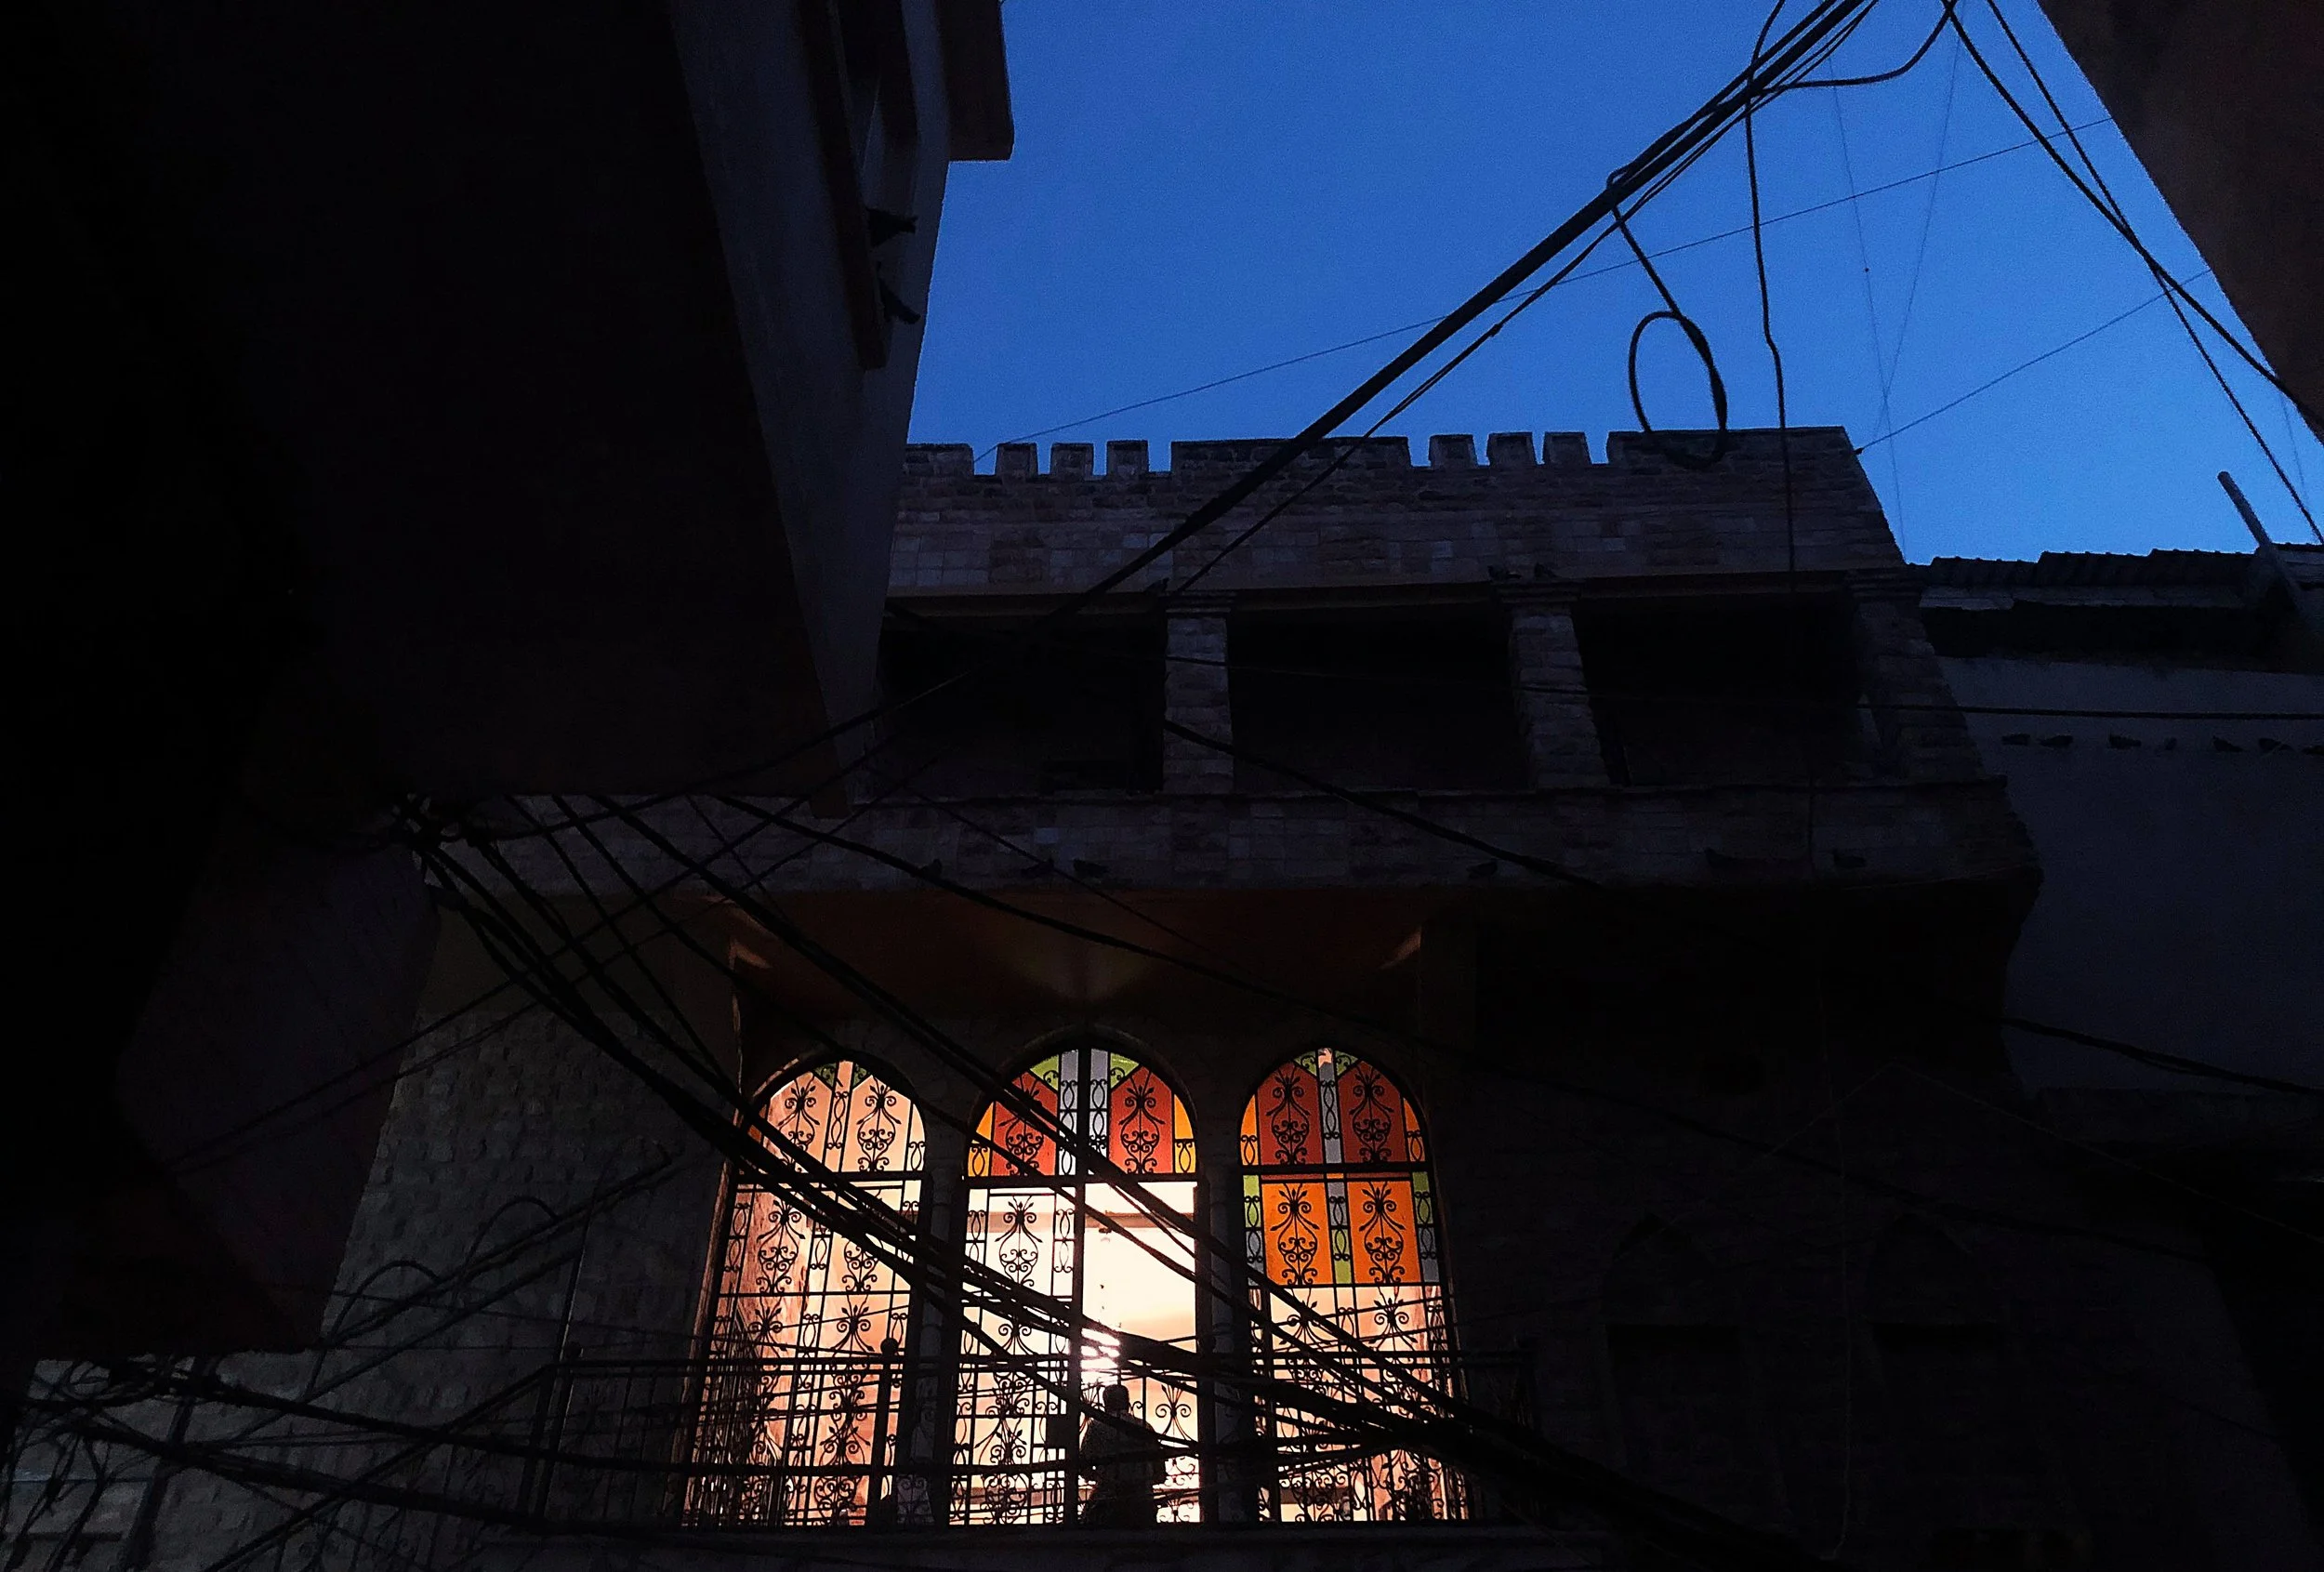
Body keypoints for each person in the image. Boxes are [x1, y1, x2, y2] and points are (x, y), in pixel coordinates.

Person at [1077, 1383, 1164, 1526]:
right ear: (1128, 1402)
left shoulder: (1096, 1428)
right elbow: (1159, 1473)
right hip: (1142, 1503)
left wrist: (1099, 1477)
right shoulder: (1145, 1427)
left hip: (1107, 1503)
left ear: (1105, 1404)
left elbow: (1083, 1466)